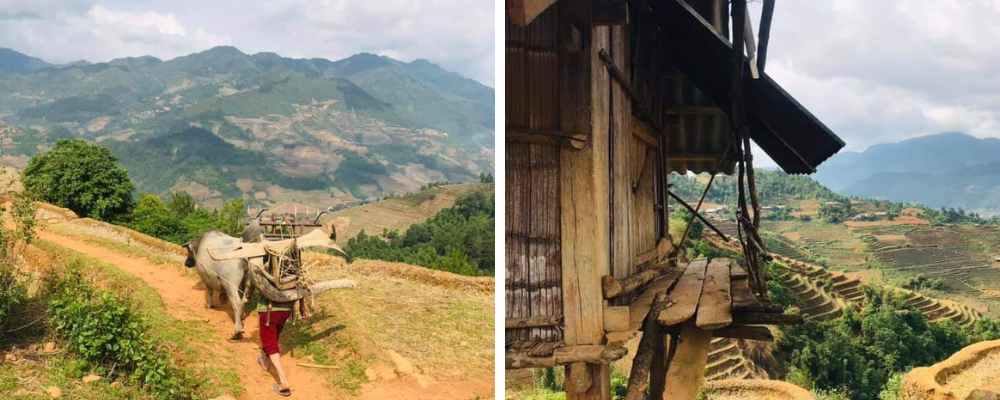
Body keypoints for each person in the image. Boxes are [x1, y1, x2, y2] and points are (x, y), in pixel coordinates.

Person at [255, 297, 304, 397]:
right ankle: (264, 360)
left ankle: (283, 382)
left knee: (271, 343)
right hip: (285, 311)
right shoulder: (290, 281)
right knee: (273, 337)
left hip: (269, 310)